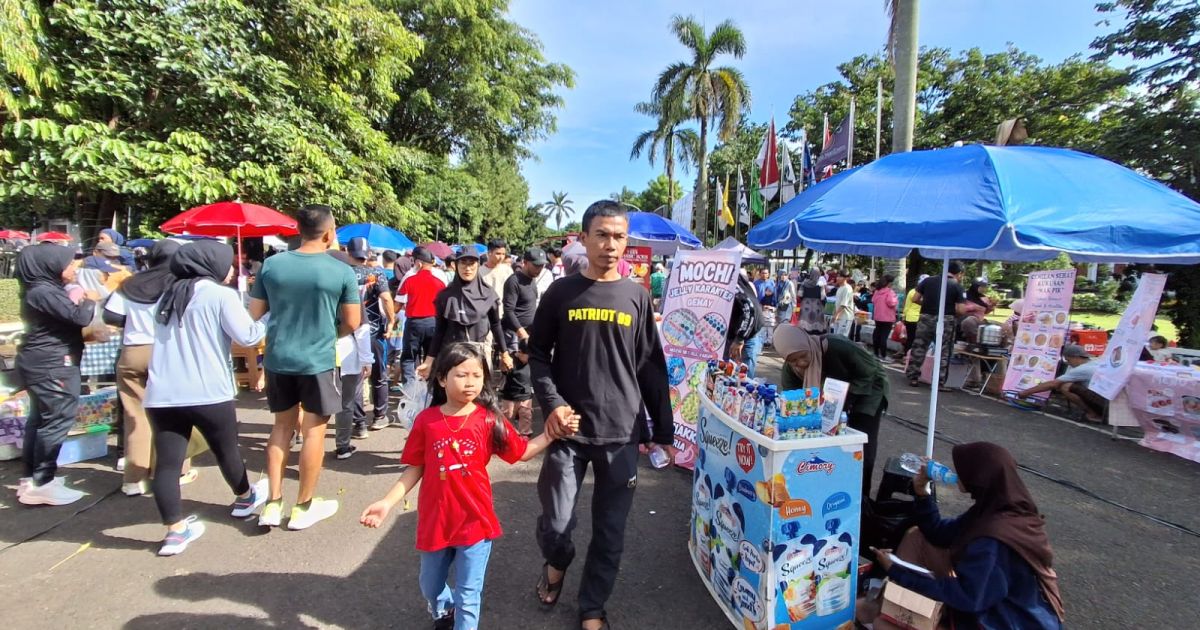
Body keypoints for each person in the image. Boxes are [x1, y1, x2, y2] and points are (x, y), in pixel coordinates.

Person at [528, 200, 674, 630]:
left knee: (610, 533)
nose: (612, 245)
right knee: (556, 525)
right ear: (584, 238)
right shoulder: (560, 292)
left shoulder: (637, 295)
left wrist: (661, 428)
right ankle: (555, 564)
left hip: (621, 432)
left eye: (619, 237)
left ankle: (592, 607)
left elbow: (650, 364)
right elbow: (537, 354)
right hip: (567, 431)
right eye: (603, 235)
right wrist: (553, 404)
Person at [360, 342, 564, 630]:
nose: (470, 382)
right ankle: (444, 610)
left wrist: (551, 433)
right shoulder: (427, 421)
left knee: (469, 597)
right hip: (436, 521)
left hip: (475, 523)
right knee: (430, 586)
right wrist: (386, 502)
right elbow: (414, 468)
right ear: (442, 378)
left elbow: (521, 452)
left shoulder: (489, 419)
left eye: (477, 375)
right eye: (462, 374)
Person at [143, 240, 270, 555]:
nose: (231, 270)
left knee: (168, 465)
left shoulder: (163, 296)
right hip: (208, 391)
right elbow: (249, 336)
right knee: (226, 450)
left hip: (162, 393)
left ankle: (174, 532)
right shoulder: (221, 295)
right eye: (228, 263)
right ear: (211, 266)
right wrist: (268, 316)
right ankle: (244, 498)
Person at [865, 442, 1064, 629]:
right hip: (987, 599)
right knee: (916, 536)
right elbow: (939, 533)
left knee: (883, 626)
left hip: (1002, 621)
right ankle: (892, 604)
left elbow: (968, 598)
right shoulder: (1000, 508)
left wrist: (898, 572)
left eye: (963, 469)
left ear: (979, 477)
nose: (957, 472)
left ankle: (900, 609)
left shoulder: (993, 539)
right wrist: (921, 492)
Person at [248, 204, 360, 530]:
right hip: (318, 360)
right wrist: (328, 332)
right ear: (329, 232)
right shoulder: (341, 271)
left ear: (298, 230)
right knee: (314, 431)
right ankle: (303, 505)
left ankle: (272, 502)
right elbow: (352, 322)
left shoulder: (272, 265)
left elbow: (254, 313)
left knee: (281, 428)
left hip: (279, 359)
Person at [104, 239, 202, 496]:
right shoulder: (183, 285)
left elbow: (111, 316)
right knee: (175, 413)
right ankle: (176, 470)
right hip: (170, 352)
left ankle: (134, 479)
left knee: (136, 416)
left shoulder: (130, 283)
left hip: (133, 352)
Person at [13, 244, 97, 506]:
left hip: (43, 362)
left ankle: (33, 478)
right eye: (69, 263)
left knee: (40, 420)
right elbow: (80, 317)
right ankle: (43, 481)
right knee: (56, 420)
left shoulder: (42, 290)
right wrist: (90, 298)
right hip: (52, 363)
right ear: (49, 265)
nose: (74, 268)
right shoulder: (43, 292)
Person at [774, 324, 889, 496]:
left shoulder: (836, 347)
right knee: (825, 440)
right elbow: (792, 401)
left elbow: (869, 371)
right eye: (793, 361)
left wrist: (846, 400)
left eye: (802, 356)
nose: (801, 363)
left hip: (868, 390)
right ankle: (831, 488)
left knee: (861, 443)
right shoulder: (791, 370)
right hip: (831, 398)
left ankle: (862, 497)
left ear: (806, 344)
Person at [417, 247, 512, 379]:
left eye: (471, 263)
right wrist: (428, 361)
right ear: (456, 265)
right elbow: (439, 331)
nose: (467, 268)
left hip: (479, 356)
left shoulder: (488, 294)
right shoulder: (445, 296)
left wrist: (505, 353)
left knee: (479, 397)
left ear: (478, 265)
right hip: (451, 356)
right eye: (463, 263)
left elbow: (496, 325)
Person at [344, 237, 397, 432]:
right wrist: (391, 321)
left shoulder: (343, 273)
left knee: (354, 377)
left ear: (348, 252)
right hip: (374, 330)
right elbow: (386, 299)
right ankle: (379, 416)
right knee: (379, 375)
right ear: (367, 254)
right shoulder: (376, 273)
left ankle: (359, 424)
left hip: (347, 333)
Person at [326, 251, 374, 460]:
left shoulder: (312, 290)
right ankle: (342, 445)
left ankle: (306, 442)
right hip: (346, 352)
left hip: (316, 351)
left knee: (314, 403)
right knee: (345, 402)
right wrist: (367, 359)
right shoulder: (348, 291)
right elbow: (361, 329)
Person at [500, 247, 548, 437]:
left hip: (528, 334)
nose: (539, 269)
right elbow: (509, 311)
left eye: (541, 266)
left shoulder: (532, 282)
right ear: (525, 263)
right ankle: (504, 426)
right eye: (536, 266)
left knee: (525, 378)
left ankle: (522, 425)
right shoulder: (514, 281)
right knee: (514, 378)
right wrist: (520, 332)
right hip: (514, 335)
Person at [906, 264, 966, 389]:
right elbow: (961, 310)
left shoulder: (928, 280)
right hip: (946, 318)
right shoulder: (957, 286)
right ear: (959, 273)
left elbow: (915, 298)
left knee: (919, 346)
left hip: (926, 317)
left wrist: (925, 304)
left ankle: (913, 376)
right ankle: (939, 381)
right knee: (943, 350)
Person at [1017, 344, 1106, 422]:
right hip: (1104, 399)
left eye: (1068, 360)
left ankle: (1093, 414)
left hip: (1102, 403)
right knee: (1064, 384)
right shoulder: (1093, 362)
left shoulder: (1083, 369)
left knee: (1065, 387)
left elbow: (1053, 383)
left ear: (1075, 357)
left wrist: (1027, 392)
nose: (1068, 363)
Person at [398, 246, 446, 385]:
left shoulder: (409, 278)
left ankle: (410, 392)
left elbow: (397, 304)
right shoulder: (441, 280)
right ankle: (432, 390)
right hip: (435, 324)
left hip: (414, 323)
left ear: (418, 263)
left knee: (409, 358)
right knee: (432, 356)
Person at [727, 270, 765, 378]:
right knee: (729, 369)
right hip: (734, 328)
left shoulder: (731, 281)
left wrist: (740, 339)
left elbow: (749, 309)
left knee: (745, 371)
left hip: (749, 330)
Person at [871, 275, 899, 363]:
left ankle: (875, 353)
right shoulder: (890, 292)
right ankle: (883, 356)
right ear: (890, 283)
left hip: (878, 317)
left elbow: (873, 301)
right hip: (887, 318)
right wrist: (896, 299)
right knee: (883, 337)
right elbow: (891, 303)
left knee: (877, 335)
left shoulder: (877, 291)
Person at [480, 238, 513, 311]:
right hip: (485, 313)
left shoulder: (508, 271)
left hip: (504, 313)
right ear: (489, 253)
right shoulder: (479, 272)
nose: (501, 257)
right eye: (498, 254)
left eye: (503, 254)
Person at [902, 274, 928, 354]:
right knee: (913, 339)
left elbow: (906, 305)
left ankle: (906, 355)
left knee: (910, 338)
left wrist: (904, 316)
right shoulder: (920, 293)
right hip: (916, 318)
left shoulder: (912, 291)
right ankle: (908, 355)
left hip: (910, 318)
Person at [797, 267, 828, 334]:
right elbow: (823, 297)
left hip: (806, 306)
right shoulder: (821, 284)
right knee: (816, 328)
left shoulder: (804, 283)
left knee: (805, 328)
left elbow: (799, 294)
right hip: (817, 307)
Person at [832, 272, 856, 337]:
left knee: (841, 338)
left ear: (846, 278)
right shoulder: (840, 288)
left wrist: (836, 315)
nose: (838, 278)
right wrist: (834, 314)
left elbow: (843, 305)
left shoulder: (847, 288)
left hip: (845, 317)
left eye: (840, 276)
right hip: (839, 316)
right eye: (837, 276)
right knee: (835, 336)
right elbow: (837, 303)